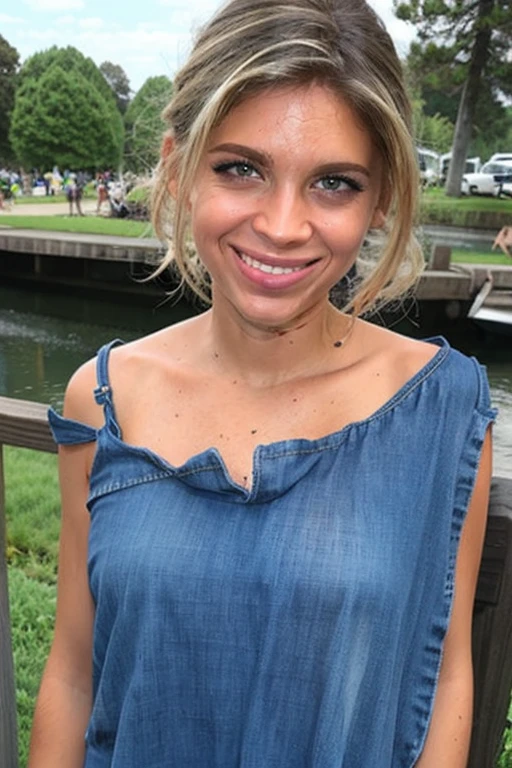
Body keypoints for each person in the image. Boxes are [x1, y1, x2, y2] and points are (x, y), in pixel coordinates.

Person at [28, 0, 496, 766]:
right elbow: (75, 671)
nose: (282, 225)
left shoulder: (442, 409)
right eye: (241, 168)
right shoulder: (103, 396)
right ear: (179, 168)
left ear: (380, 198)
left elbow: (443, 678)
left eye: (334, 183)